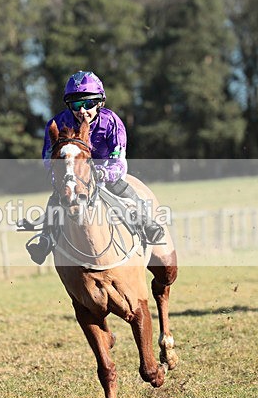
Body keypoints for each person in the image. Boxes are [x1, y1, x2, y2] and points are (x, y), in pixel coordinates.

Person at [25, 70, 165, 264]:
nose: (82, 111)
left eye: (88, 104)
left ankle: (146, 223)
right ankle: (45, 239)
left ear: (100, 103)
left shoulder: (112, 122)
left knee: (123, 189)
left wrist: (98, 174)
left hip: (107, 173)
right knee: (56, 200)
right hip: (72, 176)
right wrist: (65, 177)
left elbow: (119, 164)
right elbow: (49, 161)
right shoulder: (57, 124)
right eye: (76, 104)